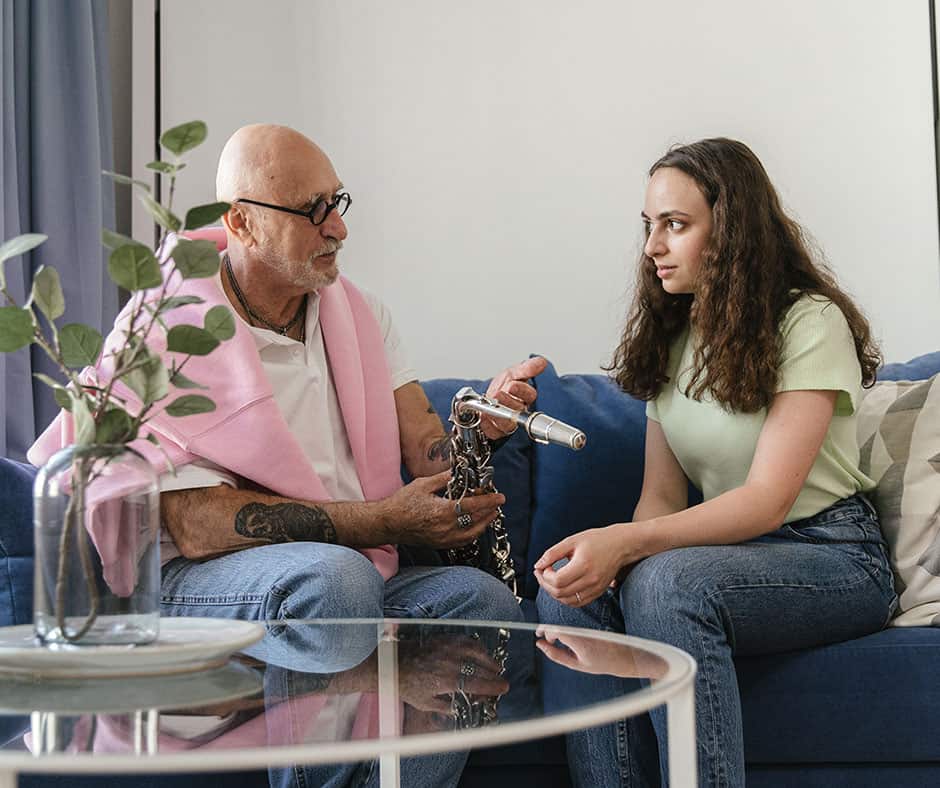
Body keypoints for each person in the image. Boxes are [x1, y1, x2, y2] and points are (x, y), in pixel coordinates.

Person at [30, 123, 543, 787]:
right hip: (197, 582)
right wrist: (387, 521)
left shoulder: (363, 316)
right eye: (312, 210)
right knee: (335, 583)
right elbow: (197, 524)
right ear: (240, 224)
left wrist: (480, 427)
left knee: (479, 603)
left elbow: (424, 448)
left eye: (339, 201)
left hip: (350, 570)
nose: (339, 228)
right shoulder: (168, 329)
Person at [534, 138, 897, 787]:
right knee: (567, 597)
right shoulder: (671, 338)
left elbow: (768, 501)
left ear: (730, 229)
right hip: (726, 550)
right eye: (649, 226)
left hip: (833, 553)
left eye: (675, 225)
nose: (652, 246)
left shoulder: (808, 321)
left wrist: (627, 545)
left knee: (670, 585)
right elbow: (663, 501)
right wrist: (612, 560)